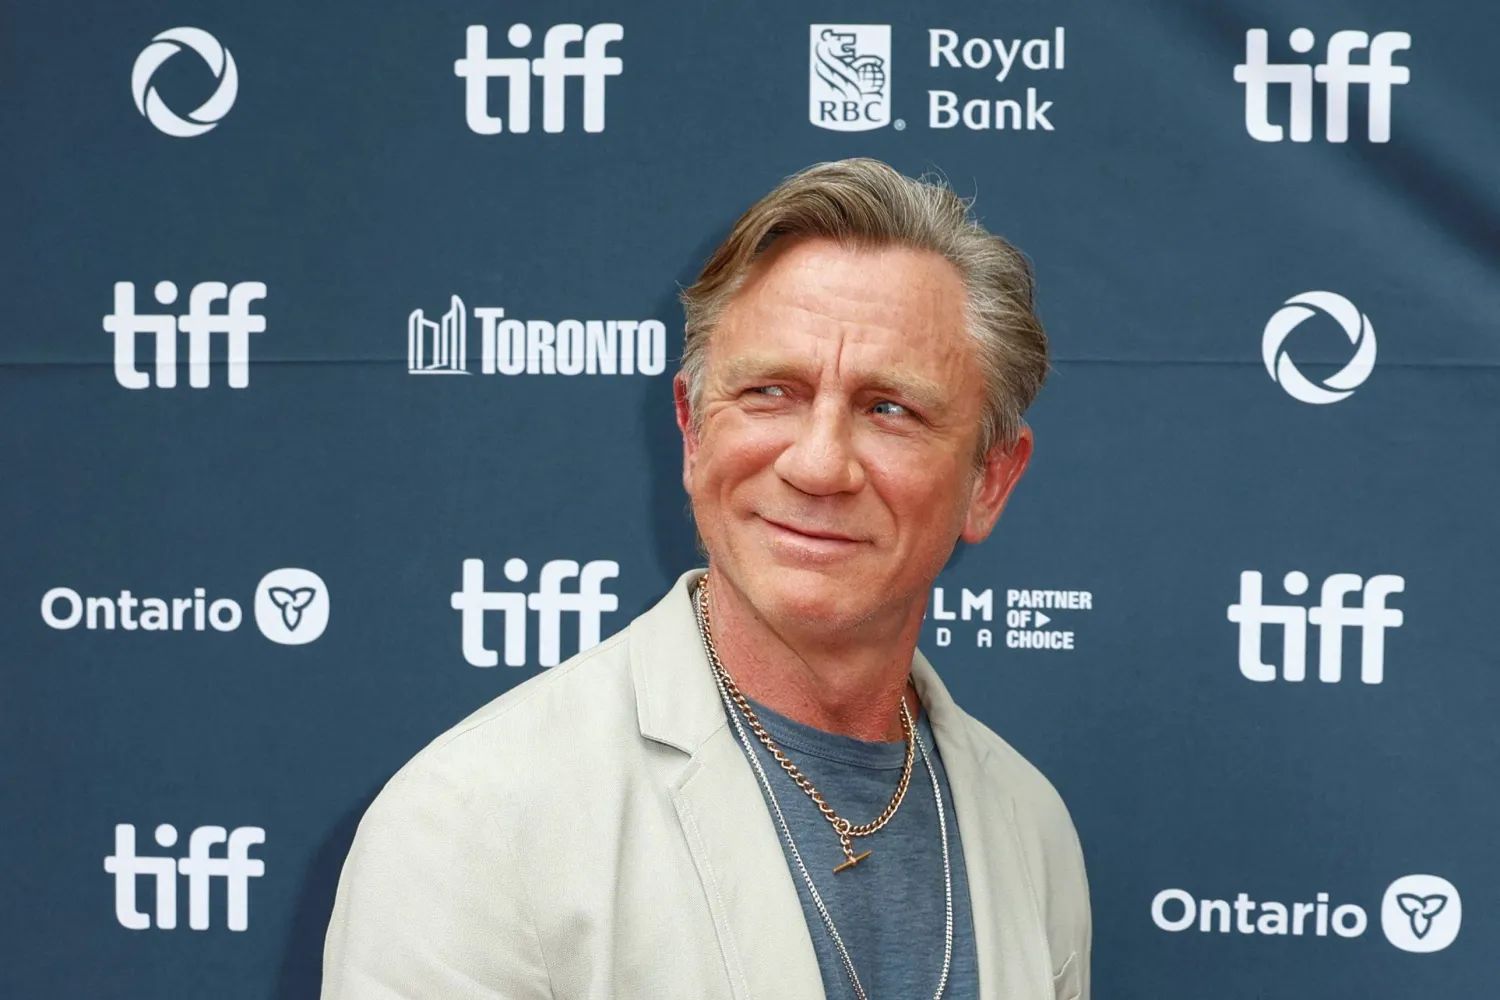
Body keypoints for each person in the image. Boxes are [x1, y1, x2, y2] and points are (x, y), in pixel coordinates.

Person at [321, 158, 1090, 1000]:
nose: (820, 464)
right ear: (691, 435)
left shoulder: (1031, 826)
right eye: (771, 392)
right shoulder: (473, 822)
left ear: (989, 481)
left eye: (890, 409)